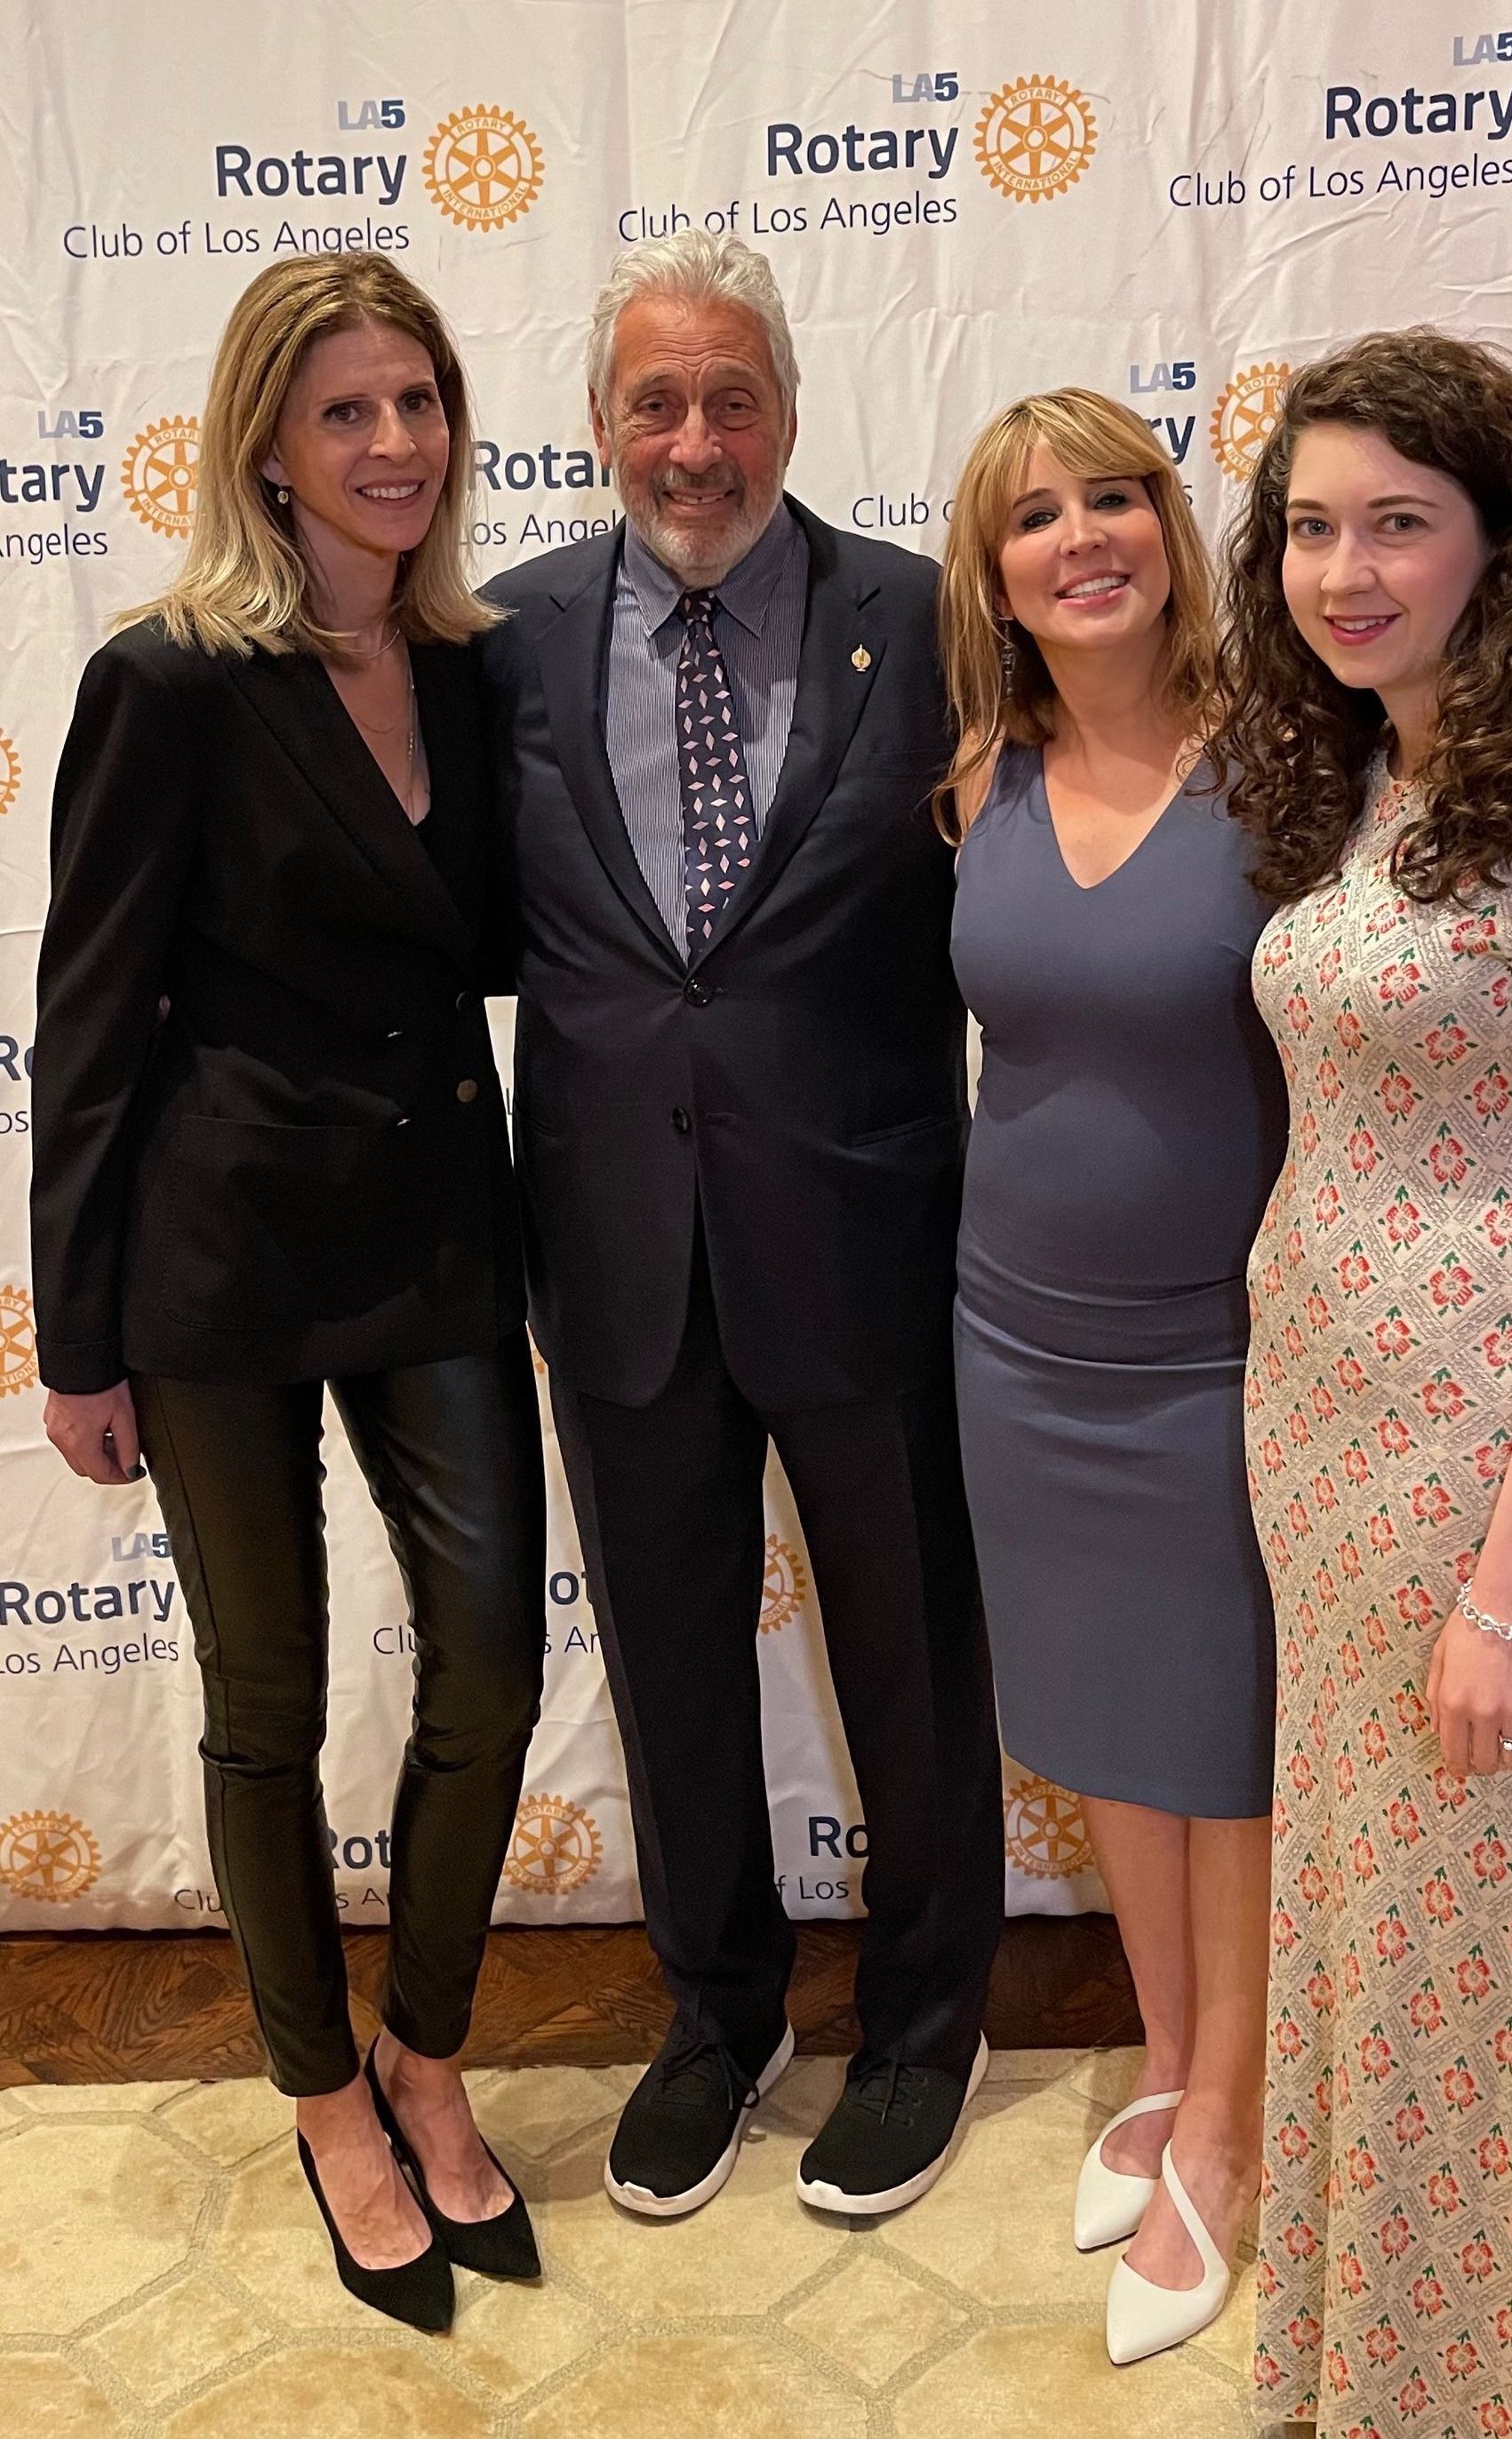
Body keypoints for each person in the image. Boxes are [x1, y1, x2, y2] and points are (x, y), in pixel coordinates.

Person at [30, 254, 547, 2332]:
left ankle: (426, 2047)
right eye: (347, 411)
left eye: (419, 399)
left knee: (493, 1660)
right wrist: (76, 1333)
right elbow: (88, 1022)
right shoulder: (168, 678)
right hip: (219, 1261)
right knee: (265, 1707)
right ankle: (324, 2090)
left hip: (436, 1236)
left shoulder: (480, 665)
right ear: (267, 440)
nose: (395, 443)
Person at [480, 228, 1006, 2222]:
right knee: (675, 1664)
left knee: (916, 1662)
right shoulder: (504, 639)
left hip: (870, 1241)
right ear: (603, 423)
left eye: (729, 398)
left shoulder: (931, 616)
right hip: (615, 1255)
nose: (693, 442)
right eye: (652, 403)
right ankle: (717, 2014)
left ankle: (925, 2023)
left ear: (787, 405)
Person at [1215, 329, 1512, 2439]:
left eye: (1399, 522)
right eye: (1314, 525)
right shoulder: (1365, 779)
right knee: (1365, 1941)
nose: (1347, 568)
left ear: (1507, 542)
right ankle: (1356, 2374)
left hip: (1477, 1469)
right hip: (1315, 1443)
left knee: (1477, 1975)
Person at [937, 388, 1289, 2366]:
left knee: (1225, 1751)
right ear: (996, 573)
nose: (1086, 536)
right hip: (1016, 1336)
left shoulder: (1289, 760)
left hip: (1223, 1349)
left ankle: (1227, 2133)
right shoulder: (976, 771)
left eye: (1119, 498)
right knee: (1106, 1731)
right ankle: (1165, 2055)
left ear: (1171, 525)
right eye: (1036, 515)